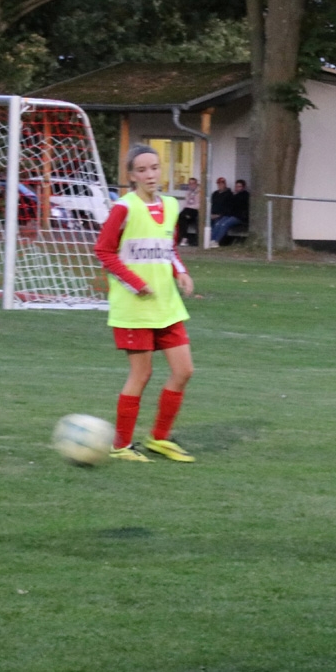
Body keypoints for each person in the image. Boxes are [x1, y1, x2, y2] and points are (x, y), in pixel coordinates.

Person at [94, 145, 197, 463]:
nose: (150, 174)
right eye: (142, 170)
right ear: (131, 176)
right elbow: (104, 251)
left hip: (166, 306)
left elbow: (169, 247)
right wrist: (136, 283)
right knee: (142, 374)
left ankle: (159, 439)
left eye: (154, 168)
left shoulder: (171, 205)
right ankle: (121, 445)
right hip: (134, 309)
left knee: (184, 371)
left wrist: (181, 272)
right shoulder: (124, 208)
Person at [211, 179, 249, 247]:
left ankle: (216, 241)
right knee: (217, 224)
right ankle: (211, 240)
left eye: (239, 186)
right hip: (230, 215)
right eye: (236, 186)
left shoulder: (245, 195)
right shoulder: (233, 195)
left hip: (238, 216)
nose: (237, 188)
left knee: (224, 224)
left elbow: (239, 207)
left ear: (243, 187)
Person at [207, 177, 233, 249]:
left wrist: (219, 215)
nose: (220, 185)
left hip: (222, 215)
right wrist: (210, 214)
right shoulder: (215, 194)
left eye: (222, 184)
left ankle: (214, 240)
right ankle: (206, 240)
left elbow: (228, 207)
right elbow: (211, 205)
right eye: (219, 184)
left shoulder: (229, 194)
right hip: (213, 214)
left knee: (218, 224)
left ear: (225, 184)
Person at [176, 177, 200, 246]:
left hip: (195, 210)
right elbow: (186, 203)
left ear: (196, 184)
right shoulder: (188, 192)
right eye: (190, 183)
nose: (191, 185)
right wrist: (186, 209)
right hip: (187, 209)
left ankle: (184, 238)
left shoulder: (199, 192)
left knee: (183, 216)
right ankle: (184, 237)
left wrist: (189, 208)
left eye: (193, 183)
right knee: (181, 217)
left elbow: (198, 205)